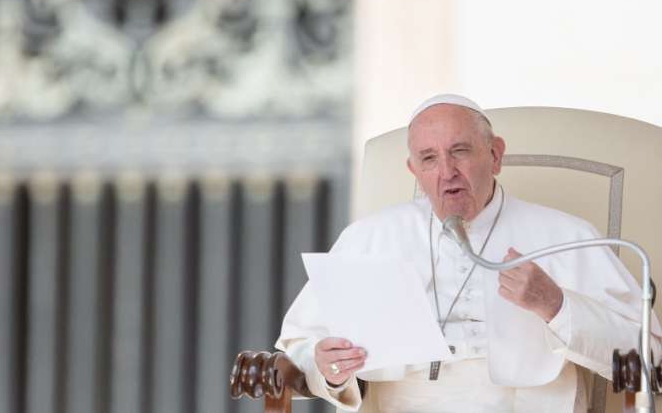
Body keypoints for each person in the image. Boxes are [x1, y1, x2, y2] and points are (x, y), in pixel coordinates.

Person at [276, 94, 662, 413]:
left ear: (495, 156)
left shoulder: (566, 235)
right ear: (414, 169)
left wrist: (557, 306)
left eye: (459, 152)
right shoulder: (370, 237)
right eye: (429, 159)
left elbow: (650, 355)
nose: (446, 172)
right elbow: (299, 347)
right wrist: (327, 368)